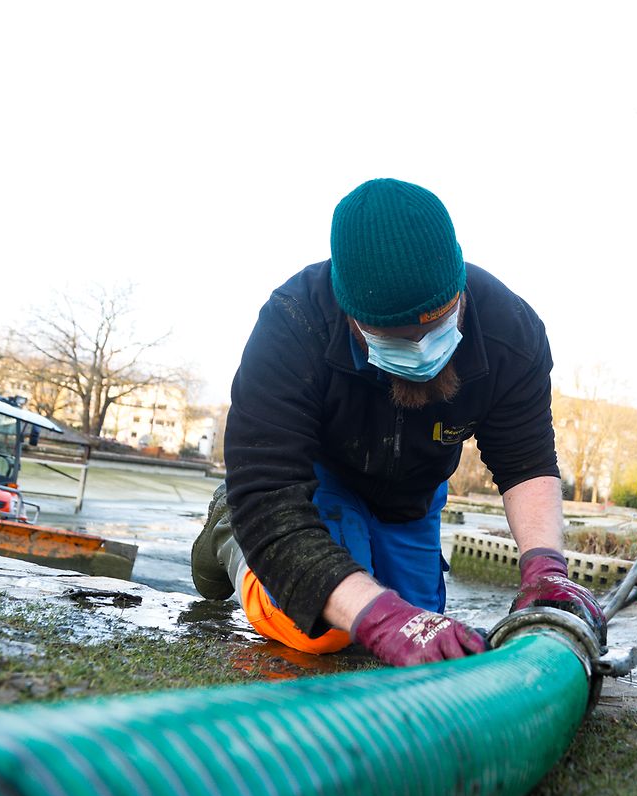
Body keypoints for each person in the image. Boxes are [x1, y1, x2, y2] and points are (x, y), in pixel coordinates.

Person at [191, 178, 605, 667]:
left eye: (436, 325)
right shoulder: (293, 325)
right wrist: (377, 617)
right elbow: (269, 496)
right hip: (320, 478)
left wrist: (545, 567)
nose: (421, 349)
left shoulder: (510, 332)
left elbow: (526, 462)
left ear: (458, 290)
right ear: (350, 315)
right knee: (321, 627)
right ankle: (231, 533)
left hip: (413, 493)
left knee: (423, 625)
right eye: (396, 337)